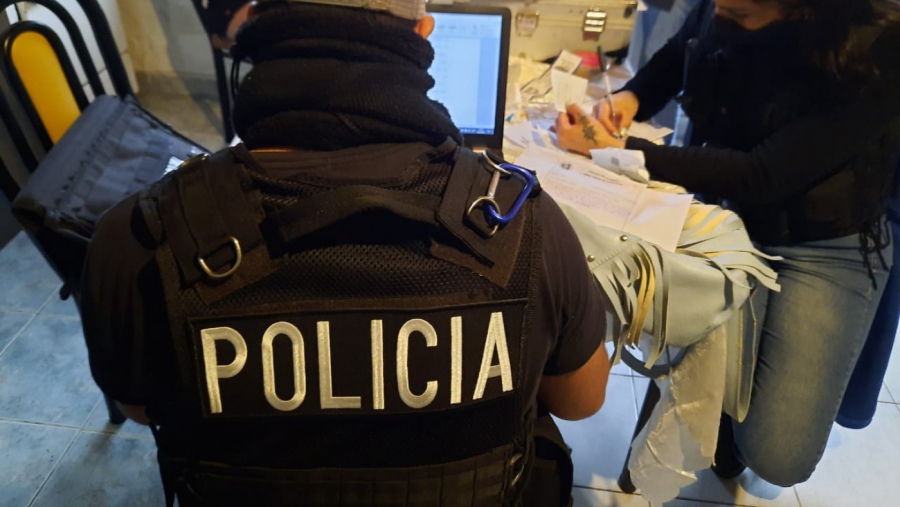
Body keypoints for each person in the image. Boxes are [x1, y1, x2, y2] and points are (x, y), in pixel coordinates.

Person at [79, 0, 612, 505]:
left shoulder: (139, 238)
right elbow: (581, 400)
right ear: (423, 32)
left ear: (253, 24)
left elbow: (140, 406)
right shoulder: (521, 222)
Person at [556, 0, 900, 488]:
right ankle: (725, 406)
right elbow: (683, 48)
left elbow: (763, 174)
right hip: (726, 212)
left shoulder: (880, 43)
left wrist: (620, 152)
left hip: (825, 242)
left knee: (779, 457)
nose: (719, 12)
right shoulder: (726, 4)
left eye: (737, 14)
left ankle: (734, 423)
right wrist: (631, 99)